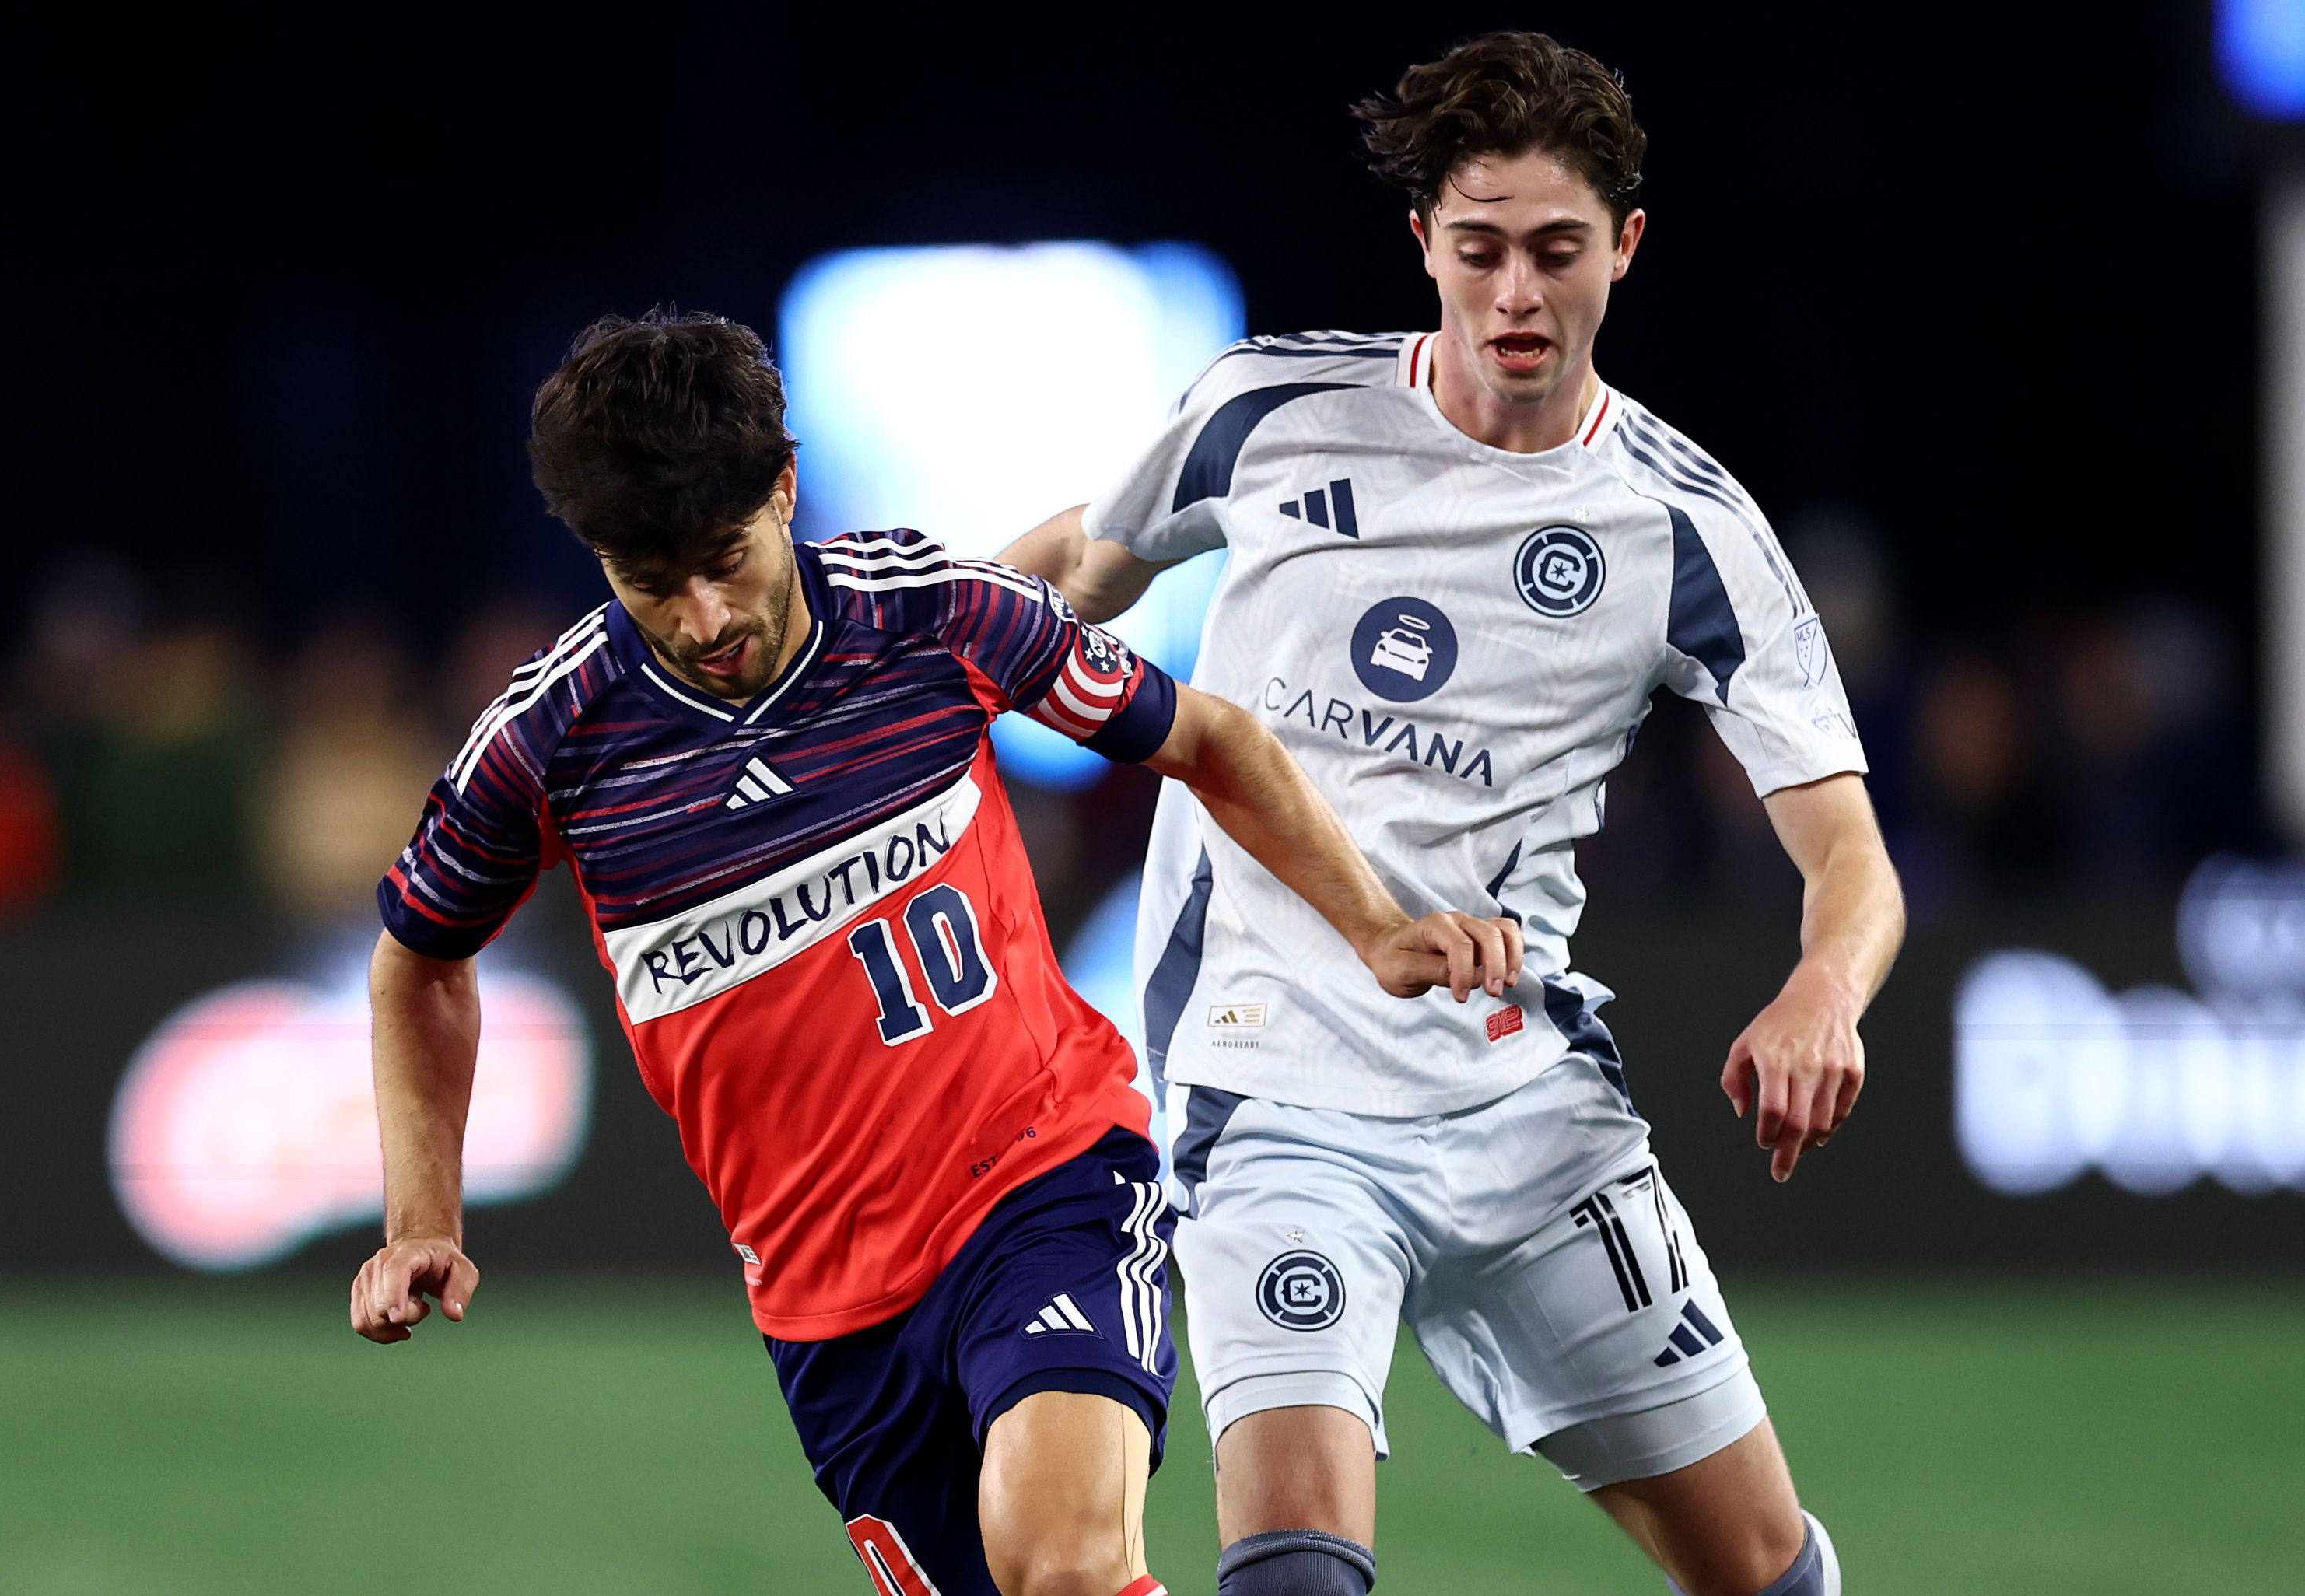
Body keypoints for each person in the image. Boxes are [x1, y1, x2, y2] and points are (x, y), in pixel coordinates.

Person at [351, 311, 1518, 1596]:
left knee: (1063, 1567)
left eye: (726, 558)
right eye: (647, 578)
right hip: (826, 1309)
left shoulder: (933, 618)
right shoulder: (548, 743)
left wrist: (1381, 930)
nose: (701, 614)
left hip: (1045, 1179)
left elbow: (1211, 741)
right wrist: (423, 1217)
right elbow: (420, 959)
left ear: (783, 490)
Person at [1000, 34, 1904, 1596]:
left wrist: (1824, 991)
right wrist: (866, 654)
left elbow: (1851, 858)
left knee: (1768, 1574)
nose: (1514, 299)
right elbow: (1071, 574)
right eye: (1477, 249)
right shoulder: (1266, 413)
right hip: (1264, 1082)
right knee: (1292, 1568)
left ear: (1624, 246)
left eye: (1556, 252)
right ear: (1421, 240)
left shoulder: (1684, 527)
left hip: (1524, 1106)